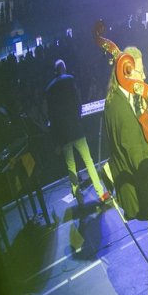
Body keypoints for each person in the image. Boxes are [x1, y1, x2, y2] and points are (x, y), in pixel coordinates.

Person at [43, 58, 108, 205]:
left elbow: (51, 116)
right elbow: (77, 101)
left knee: (71, 167)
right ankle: (100, 193)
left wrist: (57, 141)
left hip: (63, 134)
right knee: (88, 161)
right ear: (64, 68)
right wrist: (78, 119)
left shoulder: (49, 89)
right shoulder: (70, 80)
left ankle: (79, 199)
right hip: (76, 129)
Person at [103, 46, 148, 219]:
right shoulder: (121, 112)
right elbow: (140, 162)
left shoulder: (116, 99)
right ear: (126, 72)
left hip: (136, 184)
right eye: (141, 72)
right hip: (140, 197)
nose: (144, 77)